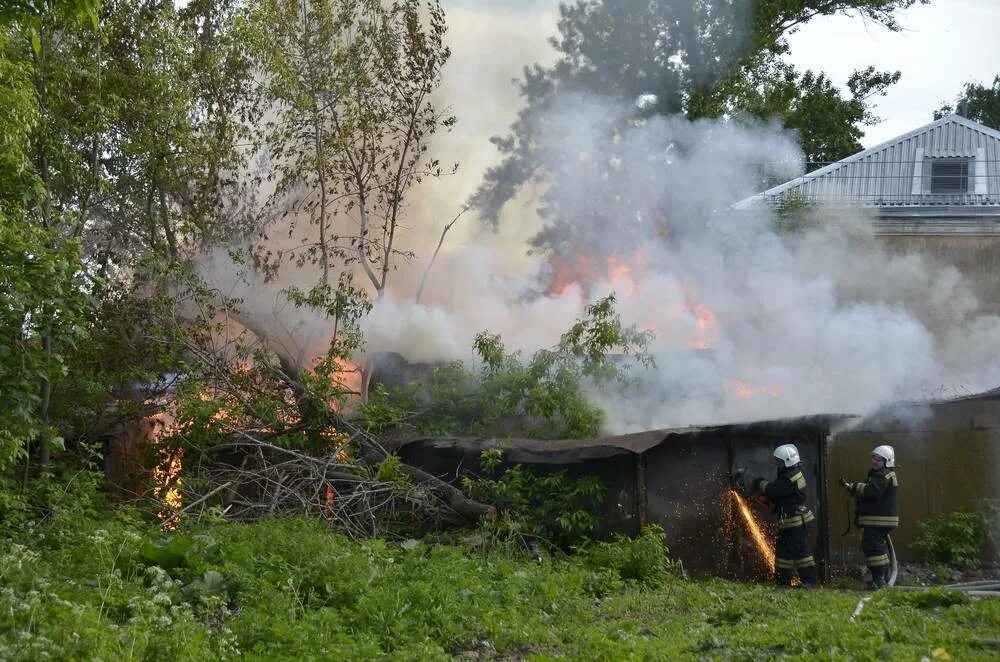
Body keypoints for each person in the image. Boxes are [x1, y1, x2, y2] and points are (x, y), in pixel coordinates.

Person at [753, 444, 818, 588]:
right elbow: (781, 496)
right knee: (783, 553)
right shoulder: (788, 475)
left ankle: (810, 582)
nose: (778, 464)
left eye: (780, 462)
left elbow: (773, 491)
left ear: (788, 461)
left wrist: (758, 482)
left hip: (796, 521)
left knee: (800, 552)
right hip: (787, 521)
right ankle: (783, 582)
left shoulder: (793, 477)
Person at [840, 444, 899, 589]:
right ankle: (881, 579)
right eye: (874, 458)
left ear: (887, 461)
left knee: (874, 549)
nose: (875, 461)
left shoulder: (883, 475)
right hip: (878, 520)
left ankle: (880, 580)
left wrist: (855, 486)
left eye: (879, 459)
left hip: (878, 520)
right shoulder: (881, 474)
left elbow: (872, 492)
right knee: (876, 548)